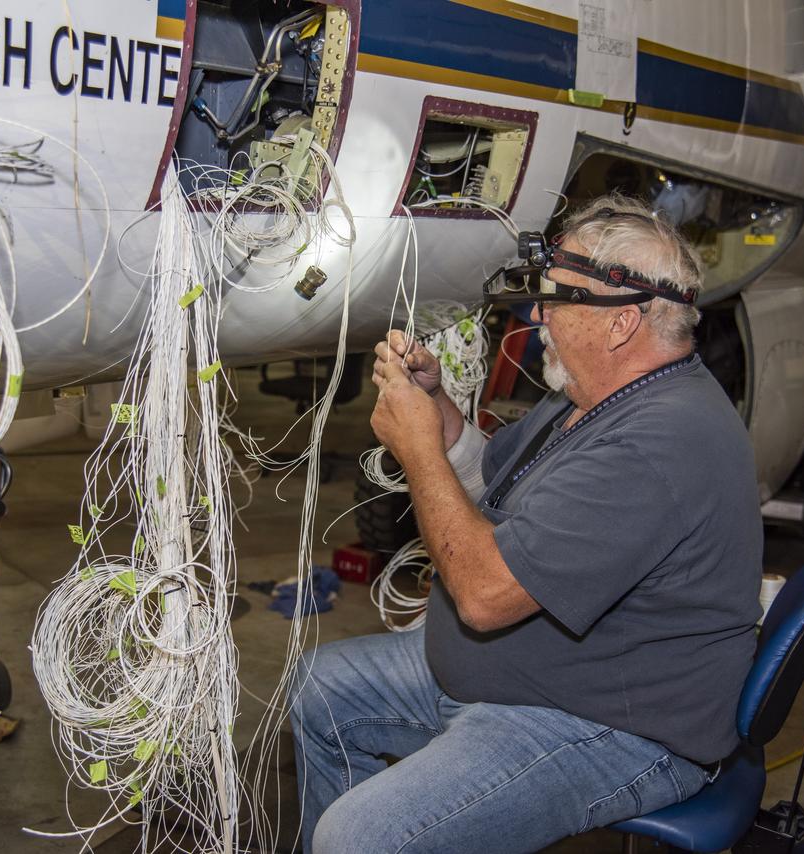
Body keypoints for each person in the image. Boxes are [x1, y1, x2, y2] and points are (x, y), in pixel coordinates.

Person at [289, 195, 763, 853]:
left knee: (359, 837)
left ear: (623, 322)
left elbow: (483, 598)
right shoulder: (590, 397)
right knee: (321, 688)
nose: (538, 313)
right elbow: (493, 480)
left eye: (559, 299)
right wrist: (439, 411)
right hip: (527, 681)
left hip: (606, 725)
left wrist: (419, 448)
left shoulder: (661, 443)